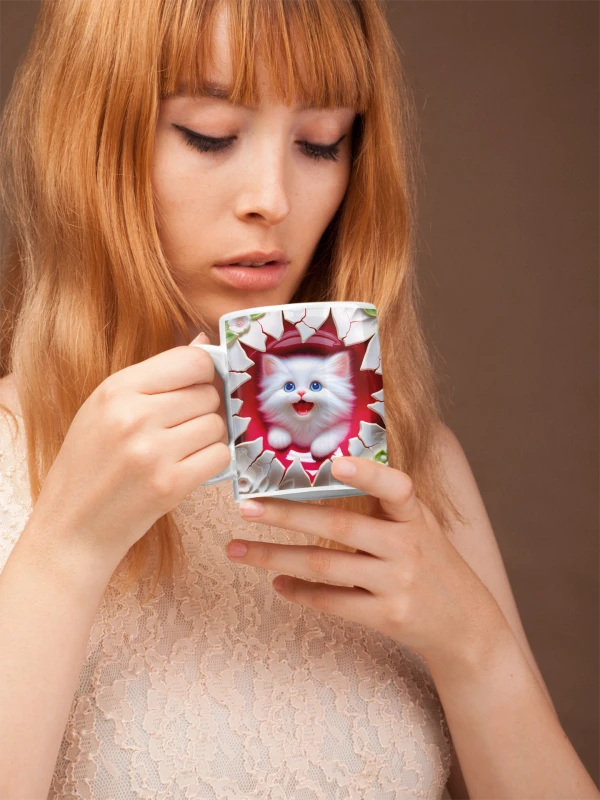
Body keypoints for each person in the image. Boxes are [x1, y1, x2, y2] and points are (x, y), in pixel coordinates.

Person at [0, 1, 597, 798]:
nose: (272, 199)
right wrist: (62, 557)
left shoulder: (416, 463)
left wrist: (477, 649)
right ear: (89, 139)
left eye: (322, 142)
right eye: (209, 133)